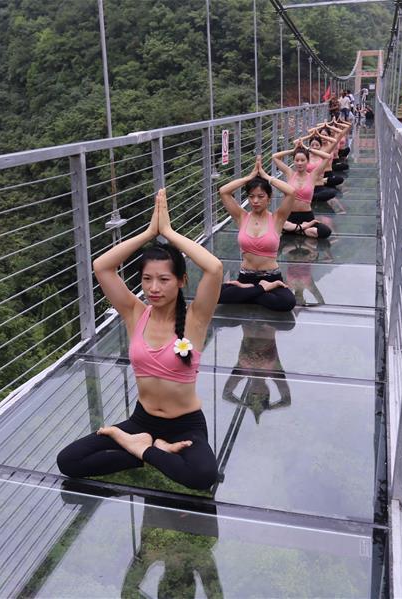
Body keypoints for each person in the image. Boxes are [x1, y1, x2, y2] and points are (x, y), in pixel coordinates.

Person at [57, 189, 222, 490]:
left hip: (186, 424)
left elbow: (214, 268)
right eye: (147, 279)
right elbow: (102, 266)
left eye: (163, 279)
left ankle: (142, 450)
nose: (154, 288)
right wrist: (148, 233)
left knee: (203, 476)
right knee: (69, 461)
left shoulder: (197, 318)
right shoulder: (135, 312)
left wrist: (169, 232)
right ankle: (150, 450)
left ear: (182, 280)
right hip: (141, 422)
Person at [217, 156, 297, 312]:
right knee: (217, 294)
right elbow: (224, 192)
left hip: (271, 277)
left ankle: (248, 294)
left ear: (269, 198)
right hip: (245, 277)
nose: (255, 201)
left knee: (287, 302)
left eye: (261, 196)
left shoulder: (277, 218)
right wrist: (249, 177)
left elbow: (291, 192)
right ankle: (260, 290)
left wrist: (267, 177)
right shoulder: (242, 216)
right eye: (251, 196)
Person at [273, 141, 334, 239]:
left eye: (302, 160)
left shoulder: (313, 175)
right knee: (273, 224)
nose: (299, 163)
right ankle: (302, 230)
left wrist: (308, 149)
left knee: (325, 231)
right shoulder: (290, 173)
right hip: (290, 215)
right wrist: (293, 150)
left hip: (307, 216)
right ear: (293, 161)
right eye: (297, 160)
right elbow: (275, 157)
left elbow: (327, 157)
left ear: (307, 161)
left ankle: (295, 230)